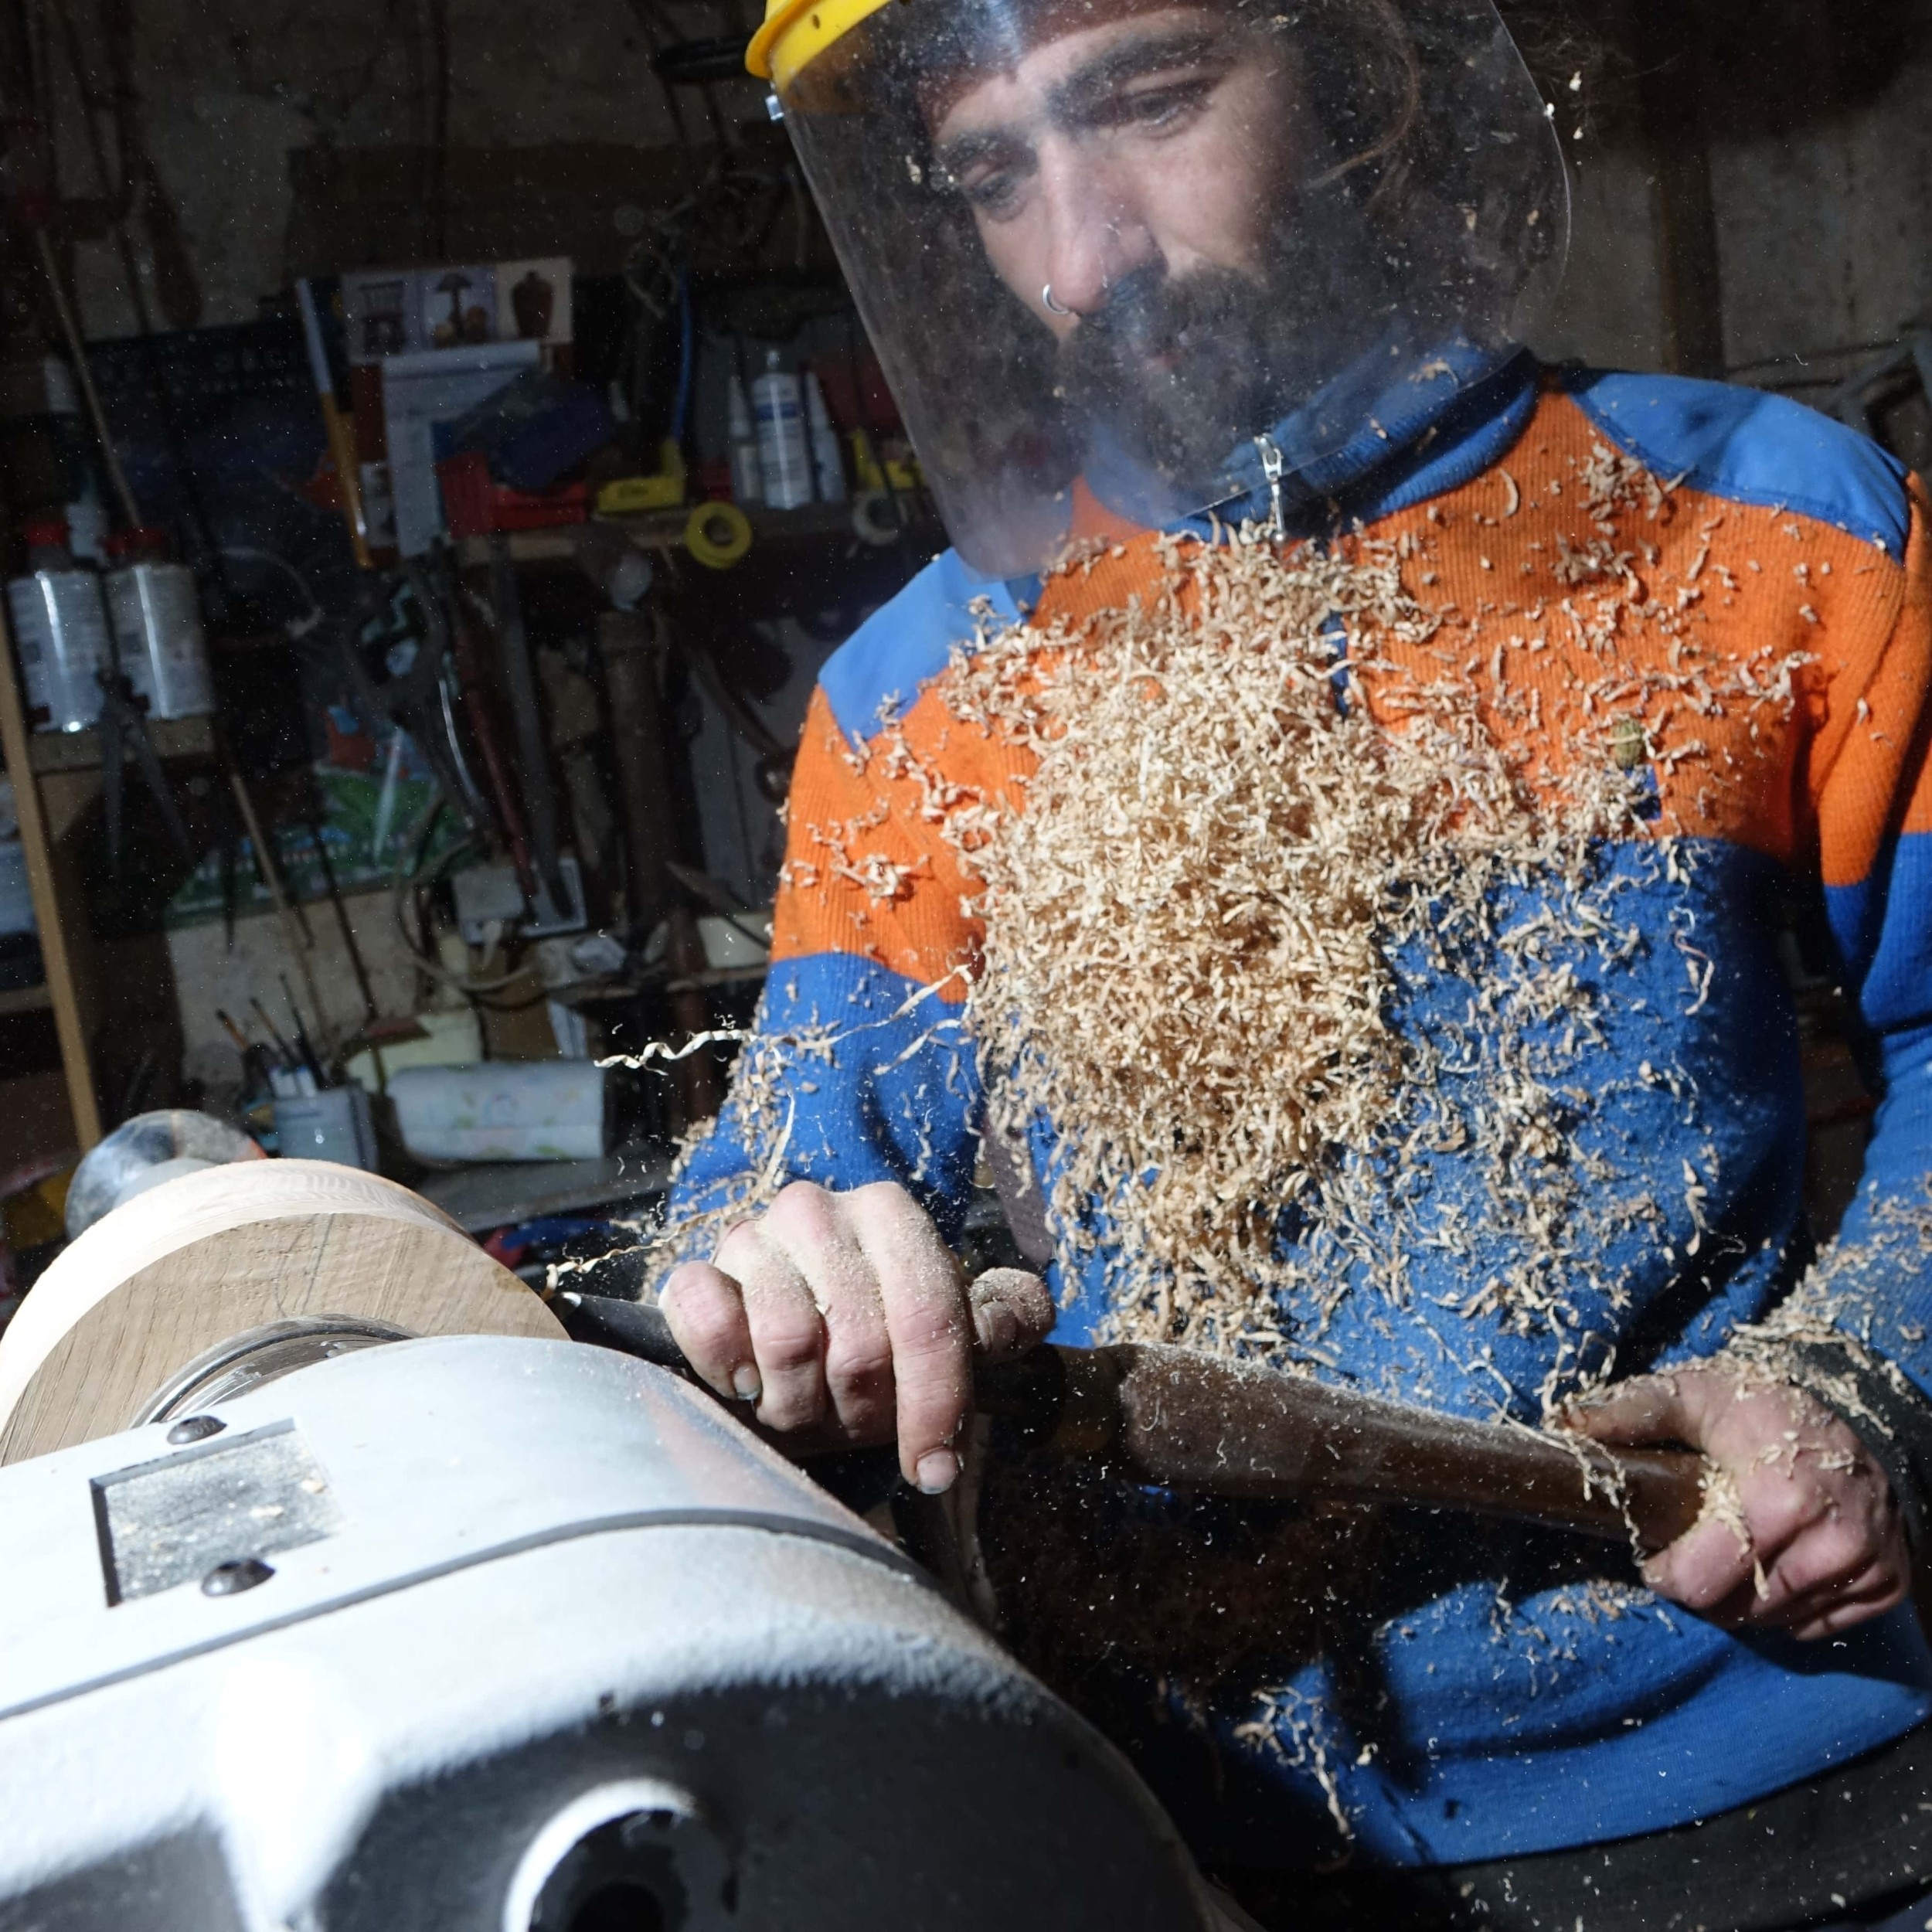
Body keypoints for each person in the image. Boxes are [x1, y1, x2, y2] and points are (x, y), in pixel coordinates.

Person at [650, 0, 1932, 1923]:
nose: (1080, 258)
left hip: (1780, 1765)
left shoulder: (1768, 529)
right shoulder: (923, 701)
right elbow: (779, 1176)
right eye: (993, 173)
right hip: (1204, 1813)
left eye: (1150, 102)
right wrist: (771, 1270)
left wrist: (1864, 1370)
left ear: (1363, 75)